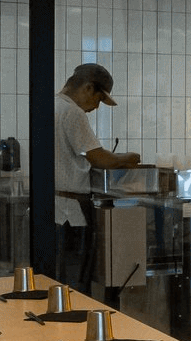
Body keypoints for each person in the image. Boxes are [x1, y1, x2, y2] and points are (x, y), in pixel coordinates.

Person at [54, 63, 138, 285]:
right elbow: (99, 158)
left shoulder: (51, 105)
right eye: (99, 99)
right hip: (69, 212)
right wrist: (127, 158)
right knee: (74, 281)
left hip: (52, 208)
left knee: (55, 277)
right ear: (88, 88)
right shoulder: (72, 112)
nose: (97, 107)